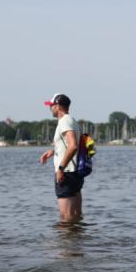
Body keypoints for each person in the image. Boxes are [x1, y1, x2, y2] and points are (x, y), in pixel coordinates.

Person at [39, 93, 83, 222]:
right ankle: (78, 241)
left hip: (67, 173)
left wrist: (60, 169)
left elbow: (73, 146)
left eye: (51, 105)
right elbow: (70, 144)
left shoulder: (64, 122)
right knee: (75, 216)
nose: (50, 108)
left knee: (66, 217)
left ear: (57, 106)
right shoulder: (71, 120)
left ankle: (66, 242)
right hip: (74, 173)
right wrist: (53, 151)